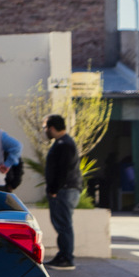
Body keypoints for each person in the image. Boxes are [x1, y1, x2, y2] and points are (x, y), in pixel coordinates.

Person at [43, 114, 81, 269]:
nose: (45, 131)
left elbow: (62, 169)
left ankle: (66, 258)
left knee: (63, 225)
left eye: (45, 128)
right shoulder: (63, 142)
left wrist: (54, 189)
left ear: (52, 128)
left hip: (63, 190)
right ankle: (63, 255)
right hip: (65, 189)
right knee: (62, 224)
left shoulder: (63, 144)